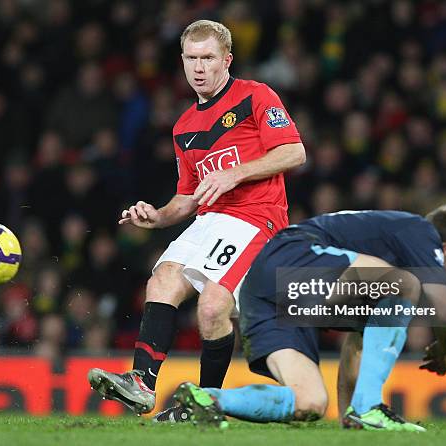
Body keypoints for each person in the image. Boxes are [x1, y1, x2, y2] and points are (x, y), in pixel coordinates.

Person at [87, 19, 306, 420]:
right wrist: (156, 216)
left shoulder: (255, 96)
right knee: (162, 279)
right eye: (191, 58)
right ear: (183, 61)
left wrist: (235, 173)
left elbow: (294, 152)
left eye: (207, 58)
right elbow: (186, 198)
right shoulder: (184, 126)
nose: (199, 67)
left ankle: (204, 403)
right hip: (209, 219)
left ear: (227, 60)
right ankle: (141, 383)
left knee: (210, 308)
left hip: (256, 217)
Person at [170, 205, 446, 431]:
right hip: (295, 256)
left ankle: (209, 399)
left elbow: (358, 345)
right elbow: (445, 312)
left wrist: (349, 419)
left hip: (264, 291)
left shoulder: (380, 270)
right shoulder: (420, 231)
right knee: (406, 284)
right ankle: (369, 408)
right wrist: (444, 352)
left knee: (310, 402)